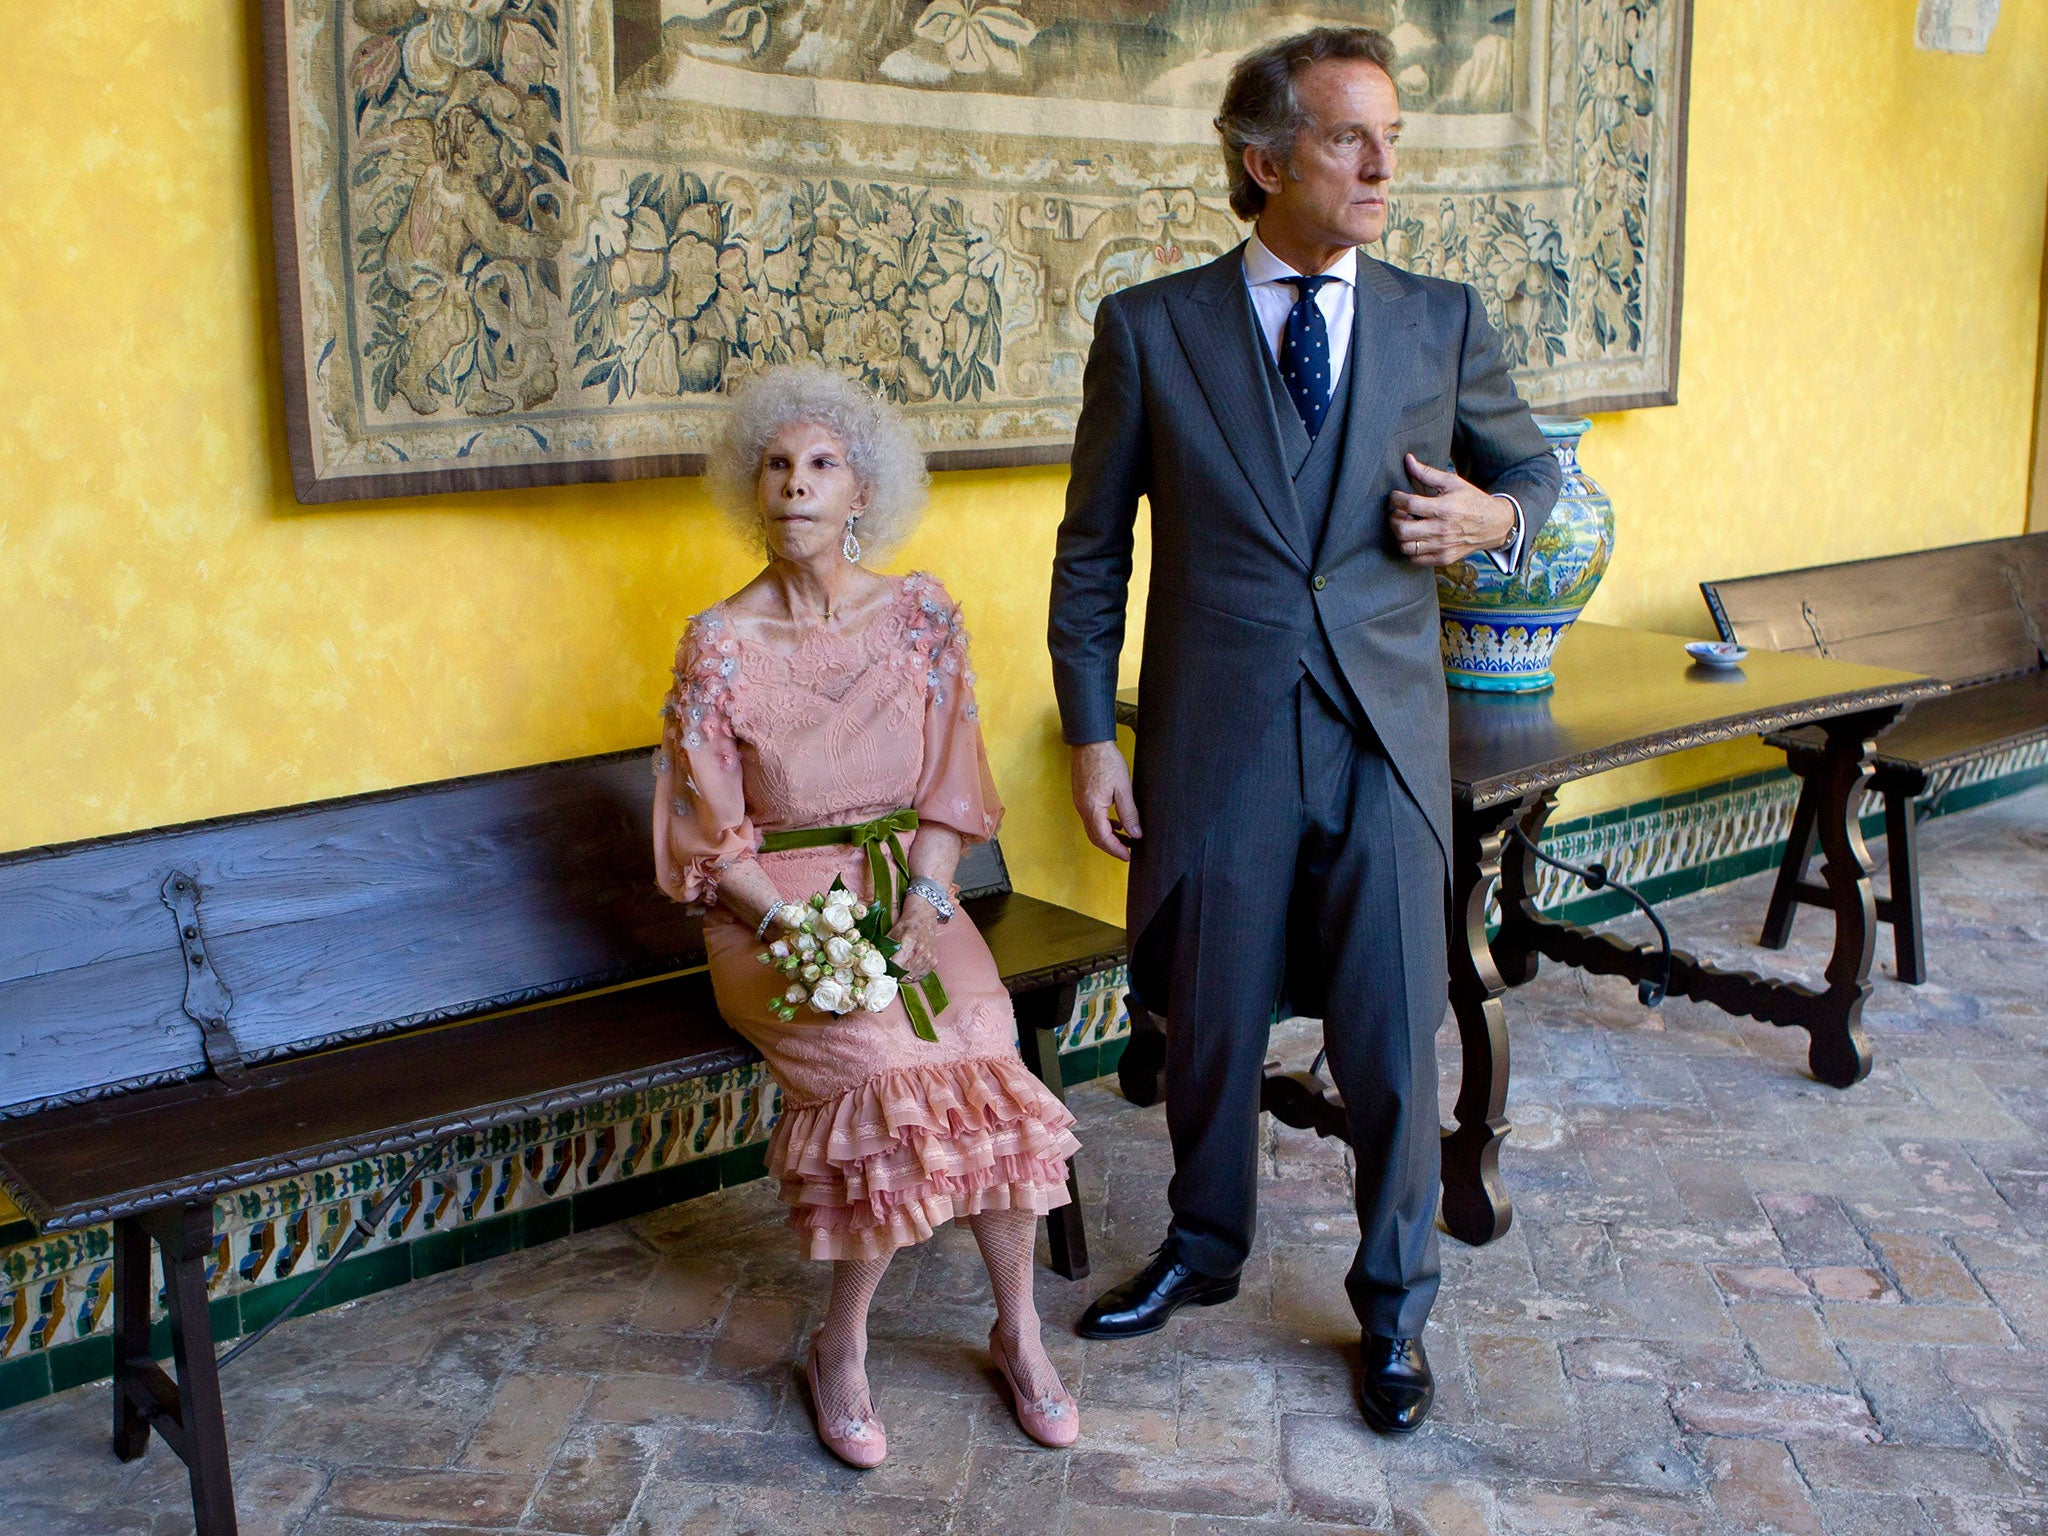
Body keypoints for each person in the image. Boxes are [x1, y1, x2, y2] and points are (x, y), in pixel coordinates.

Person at [1047, 26, 1560, 1435]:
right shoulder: (1150, 330)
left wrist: (1492, 517)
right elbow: (1093, 554)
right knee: (1206, 1021)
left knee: (1395, 1031)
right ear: (1263, 159)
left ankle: (1393, 1313)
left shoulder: (1438, 320)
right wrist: (1092, 734)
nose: (1385, 163)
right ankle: (1205, 1250)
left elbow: (1533, 469)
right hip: (1216, 738)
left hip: (1388, 737)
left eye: (1393, 135)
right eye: (1351, 137)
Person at [654, 363, 1082, 1467]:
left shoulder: (920, 615)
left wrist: (928, 899)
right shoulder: (717, 643)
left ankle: (1019, 1332)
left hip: (909, 889)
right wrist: (793, 929)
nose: (795, 483)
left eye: (822, 465)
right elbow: (707, 839)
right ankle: (839, 1348)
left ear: (862, 496)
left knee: (986, 1057)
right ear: (753, 492)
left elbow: (949, 792)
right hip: (772, 917)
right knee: (890, 1072)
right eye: (777, 465)